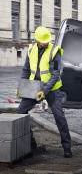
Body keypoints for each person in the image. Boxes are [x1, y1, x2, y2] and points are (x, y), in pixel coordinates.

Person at [16, 26, 72, 158]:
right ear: (37, 40)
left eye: (47, 41)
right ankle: (31, 144)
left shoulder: (54, 51)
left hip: (52, 89)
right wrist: (21, 87)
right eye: (43, 41)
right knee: (20, 112)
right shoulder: (31, 50)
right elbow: (26, 70)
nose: (45, 43)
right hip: (33, 87)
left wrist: (45, 91)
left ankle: (67, 147)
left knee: (59, 117)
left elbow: (55, 74)